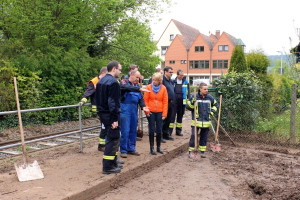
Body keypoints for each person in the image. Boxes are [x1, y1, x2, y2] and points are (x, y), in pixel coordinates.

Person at [95, 60, 122, 174]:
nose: (120, 72)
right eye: (120, 69)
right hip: (110, 115)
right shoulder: (113, 82)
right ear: (114, 68)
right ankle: (107, 167)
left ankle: (113, 162)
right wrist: (114, 119)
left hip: (102, 113)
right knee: (113, 138)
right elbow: (113, 102)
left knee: (112, 137)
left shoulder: (101, 81)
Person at [119, 70, 149, 158]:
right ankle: (123, 150)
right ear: (131, 75)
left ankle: (131, 148)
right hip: (125, 109)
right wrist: (138, 88)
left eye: (139, 78)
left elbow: (140, 99)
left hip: (134, 110)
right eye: (136, 77)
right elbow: (125, 87)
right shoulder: (124, 82)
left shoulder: (136, 86)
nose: (137, 79)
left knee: (133, 130)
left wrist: (143, 106)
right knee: (125, 130)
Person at [186, 82, 218, 158]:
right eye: (205, 89)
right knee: (194, 136)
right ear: (200, 89)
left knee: (204, 137)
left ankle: (202, 152)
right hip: (196, 121)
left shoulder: (210, 97)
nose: (206, 90)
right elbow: (188, 107)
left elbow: (216, 105)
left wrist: (212, 111)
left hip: (206, 121)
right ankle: (191, 151)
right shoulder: (194, 96)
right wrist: (192, 102)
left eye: (207, 89)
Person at [79, 67, 108, 151]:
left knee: (105, 126)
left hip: (105, 108)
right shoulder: (94, 81)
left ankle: (103, 144)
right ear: (102, 73)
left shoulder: (104, 81)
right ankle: (101, 145)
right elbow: (88, 92)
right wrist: (83, 100)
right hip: (100, 108)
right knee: (104, 126)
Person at [144, 73, 168, 155]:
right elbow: (145, 100)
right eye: (153, 80)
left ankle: (158, 147)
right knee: (151, 129)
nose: (153, 81)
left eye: (155, 80)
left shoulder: (163, 88)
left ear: (159, 81)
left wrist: (164, 114)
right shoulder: (148, 87)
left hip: (160, 112)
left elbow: (165, 102)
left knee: (159, 130)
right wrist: (147, 111)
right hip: (151, 112)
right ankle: (151, 148)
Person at [169, 69, 190, 136]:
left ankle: (178, 131)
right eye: (180, 75)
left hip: (182, 101)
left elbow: (188, 92)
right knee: (172, 116)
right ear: (177, 75)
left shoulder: (186, 82)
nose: (182, 77)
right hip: (174, 101)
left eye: (182, 75)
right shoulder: (172, 81)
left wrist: (188, 100)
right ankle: (169, 132)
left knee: (180, 116)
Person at [162, 66, 175, 141]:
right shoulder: (162, 80)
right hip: (165, 103)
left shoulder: (170, 81)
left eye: (172, 72)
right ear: (165, 72)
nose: (171, 74)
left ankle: (166, 134)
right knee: (163, 119)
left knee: (169, 120)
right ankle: (160, 136)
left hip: (171, 102)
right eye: (170, 72)